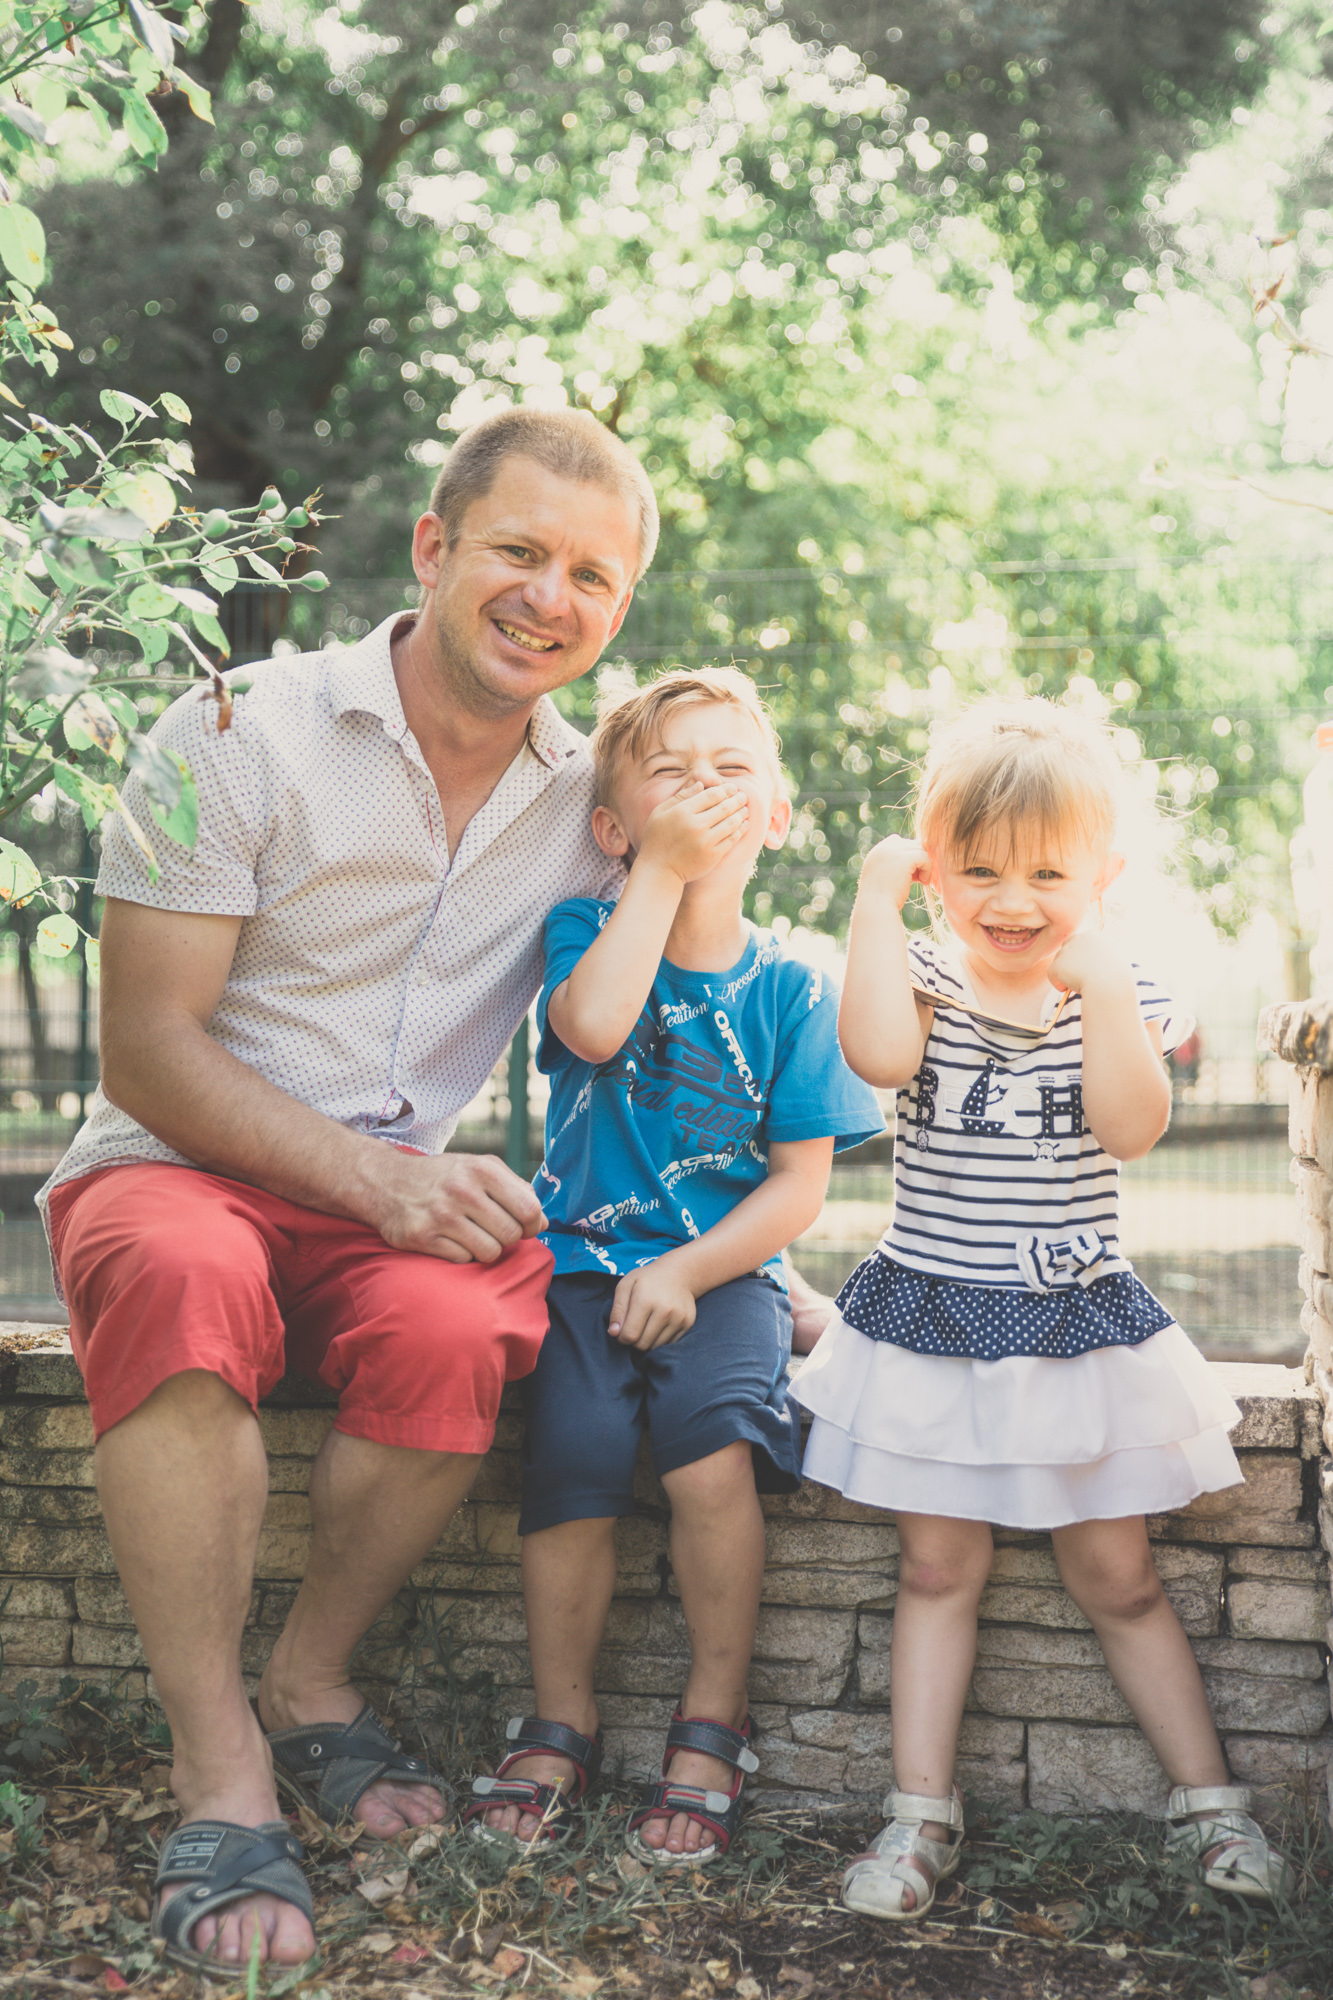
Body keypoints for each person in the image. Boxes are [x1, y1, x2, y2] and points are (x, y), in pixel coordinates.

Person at [36, 406, 669, 1975]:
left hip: (386, 1195)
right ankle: (218, 1767)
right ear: (433, 550)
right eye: (519, 552)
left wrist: (738, 1243)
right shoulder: (234, 732)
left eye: (593, 576)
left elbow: (669, 1030)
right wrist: (377, 1186)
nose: (550, 598)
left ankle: (311, 1685)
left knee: (467, 1321)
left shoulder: (594, 804)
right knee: (185, 1279)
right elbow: (144, 1051)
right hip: (178, 1163)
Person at [789, 697, 1291, 1921]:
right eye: (979, 869)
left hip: (1073, 1324)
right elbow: (873, 1059)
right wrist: (870, 902)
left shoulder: (1121, 985)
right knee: (936, 1560)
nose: (1012, 899)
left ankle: (1211, 1802)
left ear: (1103, 876)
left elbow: (1131, 1124)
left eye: (1048, 873)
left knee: (1117, 1570)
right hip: (935, 1318)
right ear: (932, 867)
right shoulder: (912, 974)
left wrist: (1103, 981)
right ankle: (918, 1816)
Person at [466, 668, 882, 1863]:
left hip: (725, 1274)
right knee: (575, 1465)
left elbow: (799, 1186)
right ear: (612, 826)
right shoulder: (582, 932)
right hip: (584, 1269)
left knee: (710, 1469)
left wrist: (694, 1272)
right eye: (671, 769)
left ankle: (711, 1721)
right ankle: (561, 1718)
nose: (704, 786)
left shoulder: (795, 989)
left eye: (731, 768)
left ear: (777, 816)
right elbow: (593, 1029)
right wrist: (654, 873)